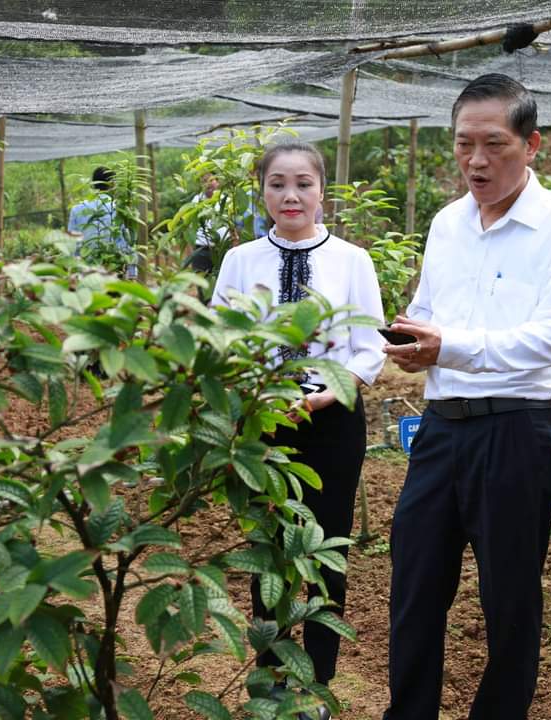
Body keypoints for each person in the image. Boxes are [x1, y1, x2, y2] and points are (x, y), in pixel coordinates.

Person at [382, 73, 551, 720]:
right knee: (414, 586)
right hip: (440, 429)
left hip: (515, 433)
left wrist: (448, 346)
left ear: (531, 145)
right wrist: (412, 338)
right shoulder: (447, 224)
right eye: (463, 144)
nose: (475, 161)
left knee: (510, 599)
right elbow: (428, 307)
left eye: (494, 144)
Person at [211, 141, 385, 720]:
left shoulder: (352, 260)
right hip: (261, 422)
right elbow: (222, 339)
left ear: (321, 191)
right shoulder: (239, 260)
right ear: (261, 190)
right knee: (268, 551)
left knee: (326, 549)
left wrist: (327, 393)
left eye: (303, 183)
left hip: (332, 421)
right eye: (278, 183)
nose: (291, 195)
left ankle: (318, 685)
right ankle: (271, 682)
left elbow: (370, 347)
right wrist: (255, 393)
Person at [67, 166, 137, 277]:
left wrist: (74, 273)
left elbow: (72, 246)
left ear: (93, 184)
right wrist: (132, 274)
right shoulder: (120, 209)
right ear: (113, 184)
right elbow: (126, 244)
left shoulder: (76, 210)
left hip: (86, 272)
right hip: (114, 271)